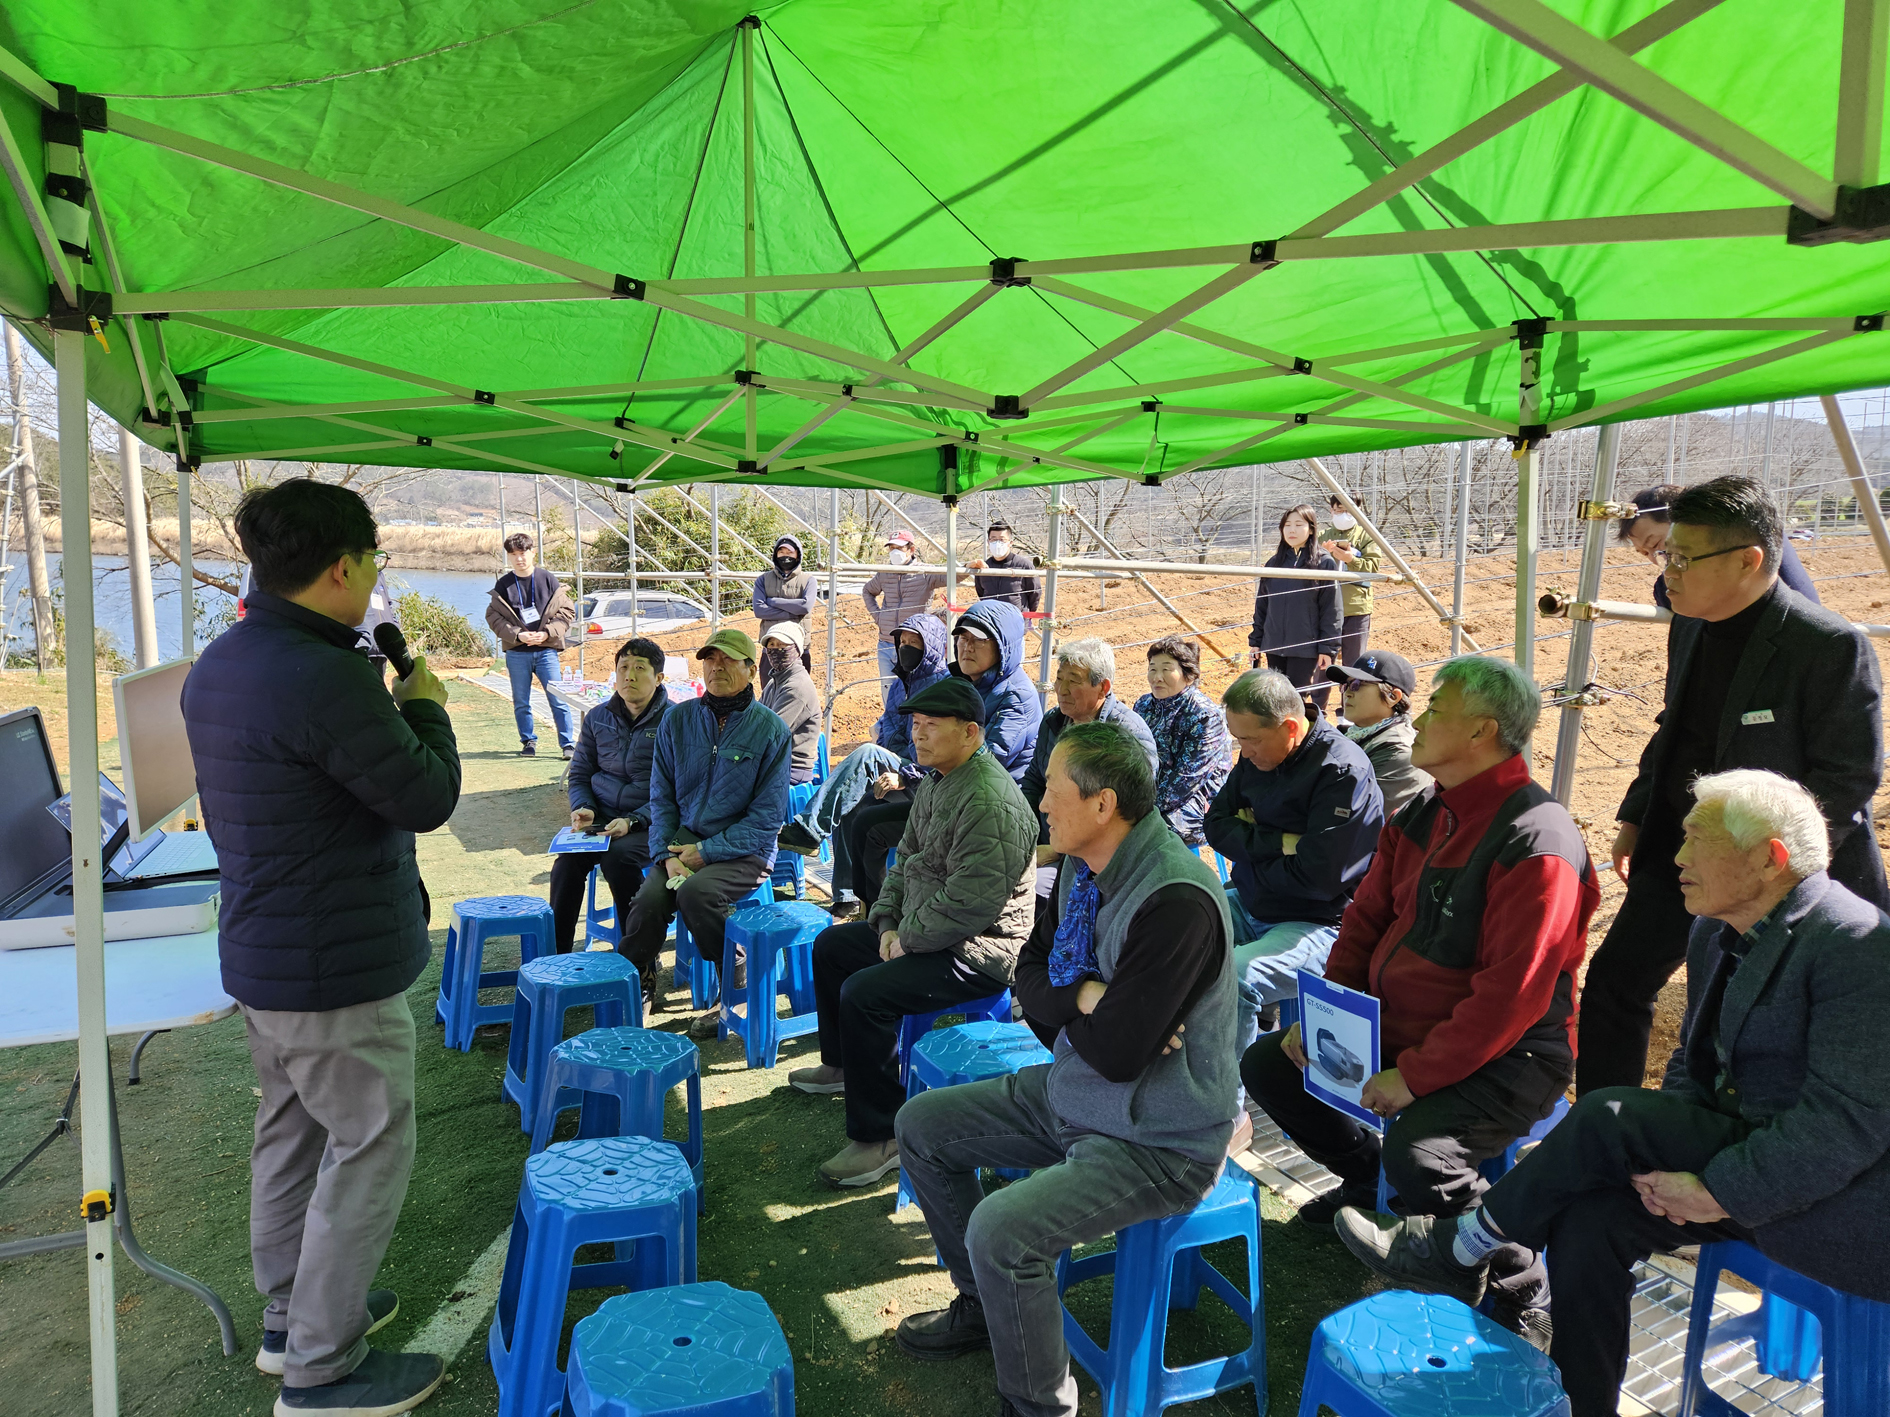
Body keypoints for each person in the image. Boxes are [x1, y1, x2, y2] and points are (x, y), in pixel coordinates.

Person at [1336, 768, 1890, 1417]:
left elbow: (1844, 1127)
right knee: (1590, 1222)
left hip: (1834, 1196)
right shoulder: (1715, 928)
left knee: (1608, 1113)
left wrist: (1714, 1189)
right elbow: (1692, 1056)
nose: (1675, 858)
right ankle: (1582, 1404)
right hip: (1733, 1155)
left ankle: (1460, 1246)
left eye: (1694, 842)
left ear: (1769, 857)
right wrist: (1675, 1161)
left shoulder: (1856, 944)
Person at [180, 480, 459, 1415]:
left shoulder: (221, 661)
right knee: (369, 1144)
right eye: (374, 564)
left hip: (266, 952)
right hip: (333, 964)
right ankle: (322, 1367)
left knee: (291, 1132)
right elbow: (423, 796)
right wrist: (423, 704)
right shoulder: (325, 674)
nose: (375, 580)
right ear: (342, 567)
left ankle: (290, 1314)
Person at [1244, 655, 1596, 1339]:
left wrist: (1416, 1076)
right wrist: (1325, 1018)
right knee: (1266, 1065)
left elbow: (1512, 994)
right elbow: (1367, 917)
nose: (1422, 716)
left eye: (1438, 708)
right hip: (1403, 1028)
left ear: (1483, 732)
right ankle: (1364, 1177)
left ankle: (1519, 1287)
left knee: (1422, 1149)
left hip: (1513, 1052)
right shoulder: (1426, 810)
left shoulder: (1538, 837)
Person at [891, 722, 1237, 1417]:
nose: (1040, 801)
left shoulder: (1177, 899)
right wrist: (1085, 992)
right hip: (1077, 1089)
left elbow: (1118, 1051)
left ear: (1103, 803)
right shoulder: (1086, 866)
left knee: (1001, 1229)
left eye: (1052, 787)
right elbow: (1030, 979)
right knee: (921, 1124)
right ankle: (984, 1304)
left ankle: (1039, 1405)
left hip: (1158, 1140)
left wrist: (1083, 1005)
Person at [1579, 474, 1887, 1095]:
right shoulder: (1692, 623)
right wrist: (1639, 814)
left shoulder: (1826, 645)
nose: (1668, 573)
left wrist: (1763, 872)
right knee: (1614, 984)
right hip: (1684, 848)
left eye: (1684, 558)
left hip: (1779, 875)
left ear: (1749, 561)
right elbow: (1675, 725)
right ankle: (1599, 1135)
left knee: (1752, 1019)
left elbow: (1846, 781)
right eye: (1667, 555)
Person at [788, 678, 1038, 1187]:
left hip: (981, 950)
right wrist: (884, 921)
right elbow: (905, 862)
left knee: (866, 993)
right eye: (915, 725)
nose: (917, 736)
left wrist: (907, 937)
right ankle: (841, 1067)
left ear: (970, 733)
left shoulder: (990, 801)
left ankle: (881, 1138)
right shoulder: (940, 779)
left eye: (930, 727)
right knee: (835, 946)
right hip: (928, 930)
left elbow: (970, 904)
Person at [615, 627, 791, 1030]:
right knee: (647, 902)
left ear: (751, 669)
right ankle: (636, 980)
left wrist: (705, 853)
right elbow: (661, 799)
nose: (717, 667)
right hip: (682, 846)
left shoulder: (771, 730)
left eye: (728, 660)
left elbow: (766, 820)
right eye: (710, 659)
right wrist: (666, 855)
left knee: (696, 894)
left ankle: (735, 985)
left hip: (746, 850)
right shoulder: (678, 720)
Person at [1205, 668, 1382, 1055]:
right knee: (1171, 932)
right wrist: (1283, 842)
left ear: (1289, 726)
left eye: (1249, 741)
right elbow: (1215, 825)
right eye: (1238, 740)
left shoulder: (1341, 772)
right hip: (1252, 900)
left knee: (1236, 977)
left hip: (1317, 921)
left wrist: (1250, 849)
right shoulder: (1259, 756)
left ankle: (1228, 1106)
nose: (1243, 752)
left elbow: (1319, 878)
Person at [776, 612, 949, 918]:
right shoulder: (901, 685)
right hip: (901, 774)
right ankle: (849, 896)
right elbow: (890, 733)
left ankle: (808, 830)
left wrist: (903, 775)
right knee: (853, 804)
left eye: (914, 642)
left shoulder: (944, 689)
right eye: (902, 642)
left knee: (867, 754)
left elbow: (943, 755)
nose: (906, 648)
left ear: (932, 646)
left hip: (930, 783)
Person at [549, 637, 671, 954]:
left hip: (652, 822)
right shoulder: (597, 717)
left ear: (659, 678)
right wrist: (585, 807)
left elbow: (678, 791)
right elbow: (579, 774)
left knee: (618, 859)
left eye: (639, 668)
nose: (628, 676)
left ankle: (638, 955)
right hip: (601, 819)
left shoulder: (676, 722)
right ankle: (557, 954)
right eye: (623, 668)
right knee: (566, 865)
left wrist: (633, 820)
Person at [1019, 638, 1159, 864]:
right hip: (1048, 843)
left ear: (1103, 688)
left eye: (1073, 681)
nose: (1061, 690)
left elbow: (1128, 817)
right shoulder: (1053, 722)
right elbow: (1035, 782)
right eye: (1059, 678)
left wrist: (1057, 853)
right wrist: (1027, 837)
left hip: (1097, 860)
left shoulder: (1127, 735)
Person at [1617, 483, 1819, 609]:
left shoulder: (1730, 540)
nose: (1656, 558)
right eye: (1645, 553)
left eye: (1656, 545)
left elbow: (1675, 598)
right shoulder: (1745, 527)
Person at [485, 531, 577, 759]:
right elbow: (493, 617)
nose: (519, 558)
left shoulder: (547, 579)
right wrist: (517, 636)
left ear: (533, 552)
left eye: (523, 553)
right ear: (508, 557)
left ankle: (568, 744)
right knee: (521, 701)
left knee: (558, 698)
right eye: (513, 554)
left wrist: (547, 633)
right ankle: (528, 742)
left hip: (546, 651)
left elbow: (567, 612)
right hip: (517, 652)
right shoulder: (504, 584)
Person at [1133, 635, 1231, 847]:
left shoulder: (1205, 715)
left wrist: (1139, 810)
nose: (1157, 677)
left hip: (1194, 800)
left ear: (1188, 675)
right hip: (1149, 795)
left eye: (1166, 669)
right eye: (1152, 668)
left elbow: (1185, 780)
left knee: (1147, 832)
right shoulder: (1143, 705)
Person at [1249, 503, 1341, 714]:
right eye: (1287, 525)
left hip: (1305, 647)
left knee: (1296, 698)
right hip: (1273, 644)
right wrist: (1256, 640)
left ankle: (1297, 740)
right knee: (1274, 696)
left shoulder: (1323, 563)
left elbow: (1331, 609)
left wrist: (1327, 647)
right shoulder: (1274, 563)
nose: (1292, 530)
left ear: (1311, 529)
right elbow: (1262, 603)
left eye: (1299, 524)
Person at [1324, 649, 1432, 814]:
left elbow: (1351, 815)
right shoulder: (1361, 735)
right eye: (1345, 685)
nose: (1347, 693)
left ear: (1392, 697)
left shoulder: (1399, 753)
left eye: (1357, 685)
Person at [861, 530, 945, 704]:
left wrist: (969, 566)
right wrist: (879, 617)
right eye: (891, 548)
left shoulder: (925, 573)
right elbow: (868, 590)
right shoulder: (885, 573)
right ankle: (891, 726)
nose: (894, 552)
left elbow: (950, 576)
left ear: (911, 549)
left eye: (898, 548)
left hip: (914, 643)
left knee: (915, 690)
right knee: (889, 692)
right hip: (886, 642)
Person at [1320, 493, 1382, 671]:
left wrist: (1351, 559)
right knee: (1323, 664)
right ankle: (1318, 699)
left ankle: (1351, 697)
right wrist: (1322, 554)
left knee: (1354, 665)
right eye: (1339, 510)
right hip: (1325, 609)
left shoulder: (1368, 536)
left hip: (1356, 607)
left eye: (1348, 511)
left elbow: (1372, 567)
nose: (1343, 515)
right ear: (1331, 510)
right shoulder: (1322, 537)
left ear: (1358, 511)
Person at [758, 620, 822, 785]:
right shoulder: (774, 682)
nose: (775, 649)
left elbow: (769, 735)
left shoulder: (797, 687)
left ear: (796, 648)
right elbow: (754, 719)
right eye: (771, 644)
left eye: (781, 644)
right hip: (774, 762)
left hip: (791, 767)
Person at [752, 533, 816, 667]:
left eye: (790, 552)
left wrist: (773, 601)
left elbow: (805, 607)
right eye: (781, 552)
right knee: (769, 687)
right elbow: (759, 610)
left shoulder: (808, 580)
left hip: (799, 648)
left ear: (798, 555)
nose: (785, 556)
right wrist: (793, 613)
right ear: (775, 555)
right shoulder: (763, 580)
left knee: (796, 687)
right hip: (770, 649)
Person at [967, 519, 1040, 613]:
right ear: (988, 542)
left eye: (1002, 539)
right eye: (993, 539)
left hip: (1016, 621)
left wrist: (1025, 615)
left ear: (1010, 543)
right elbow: (981, 593)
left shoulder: (1024, 566)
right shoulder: (984, 568)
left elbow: (1034, 594)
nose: (997, 543)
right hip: (990, 620)